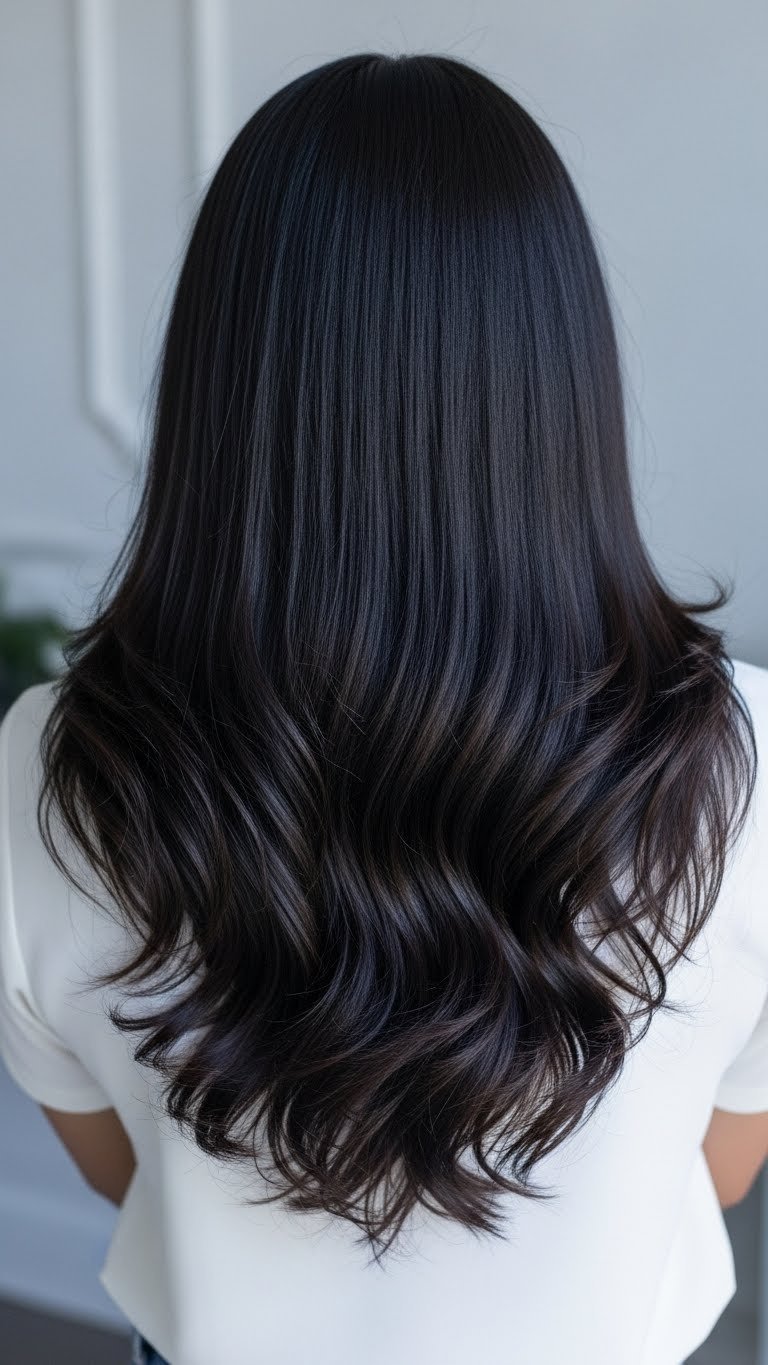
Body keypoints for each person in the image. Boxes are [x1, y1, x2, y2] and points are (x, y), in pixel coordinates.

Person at [0, 51, 766, 1365]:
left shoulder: (47, 770)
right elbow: (731, 1167)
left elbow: (117, 1168)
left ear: (222, 385)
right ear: (556, 385)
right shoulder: (743, 761)